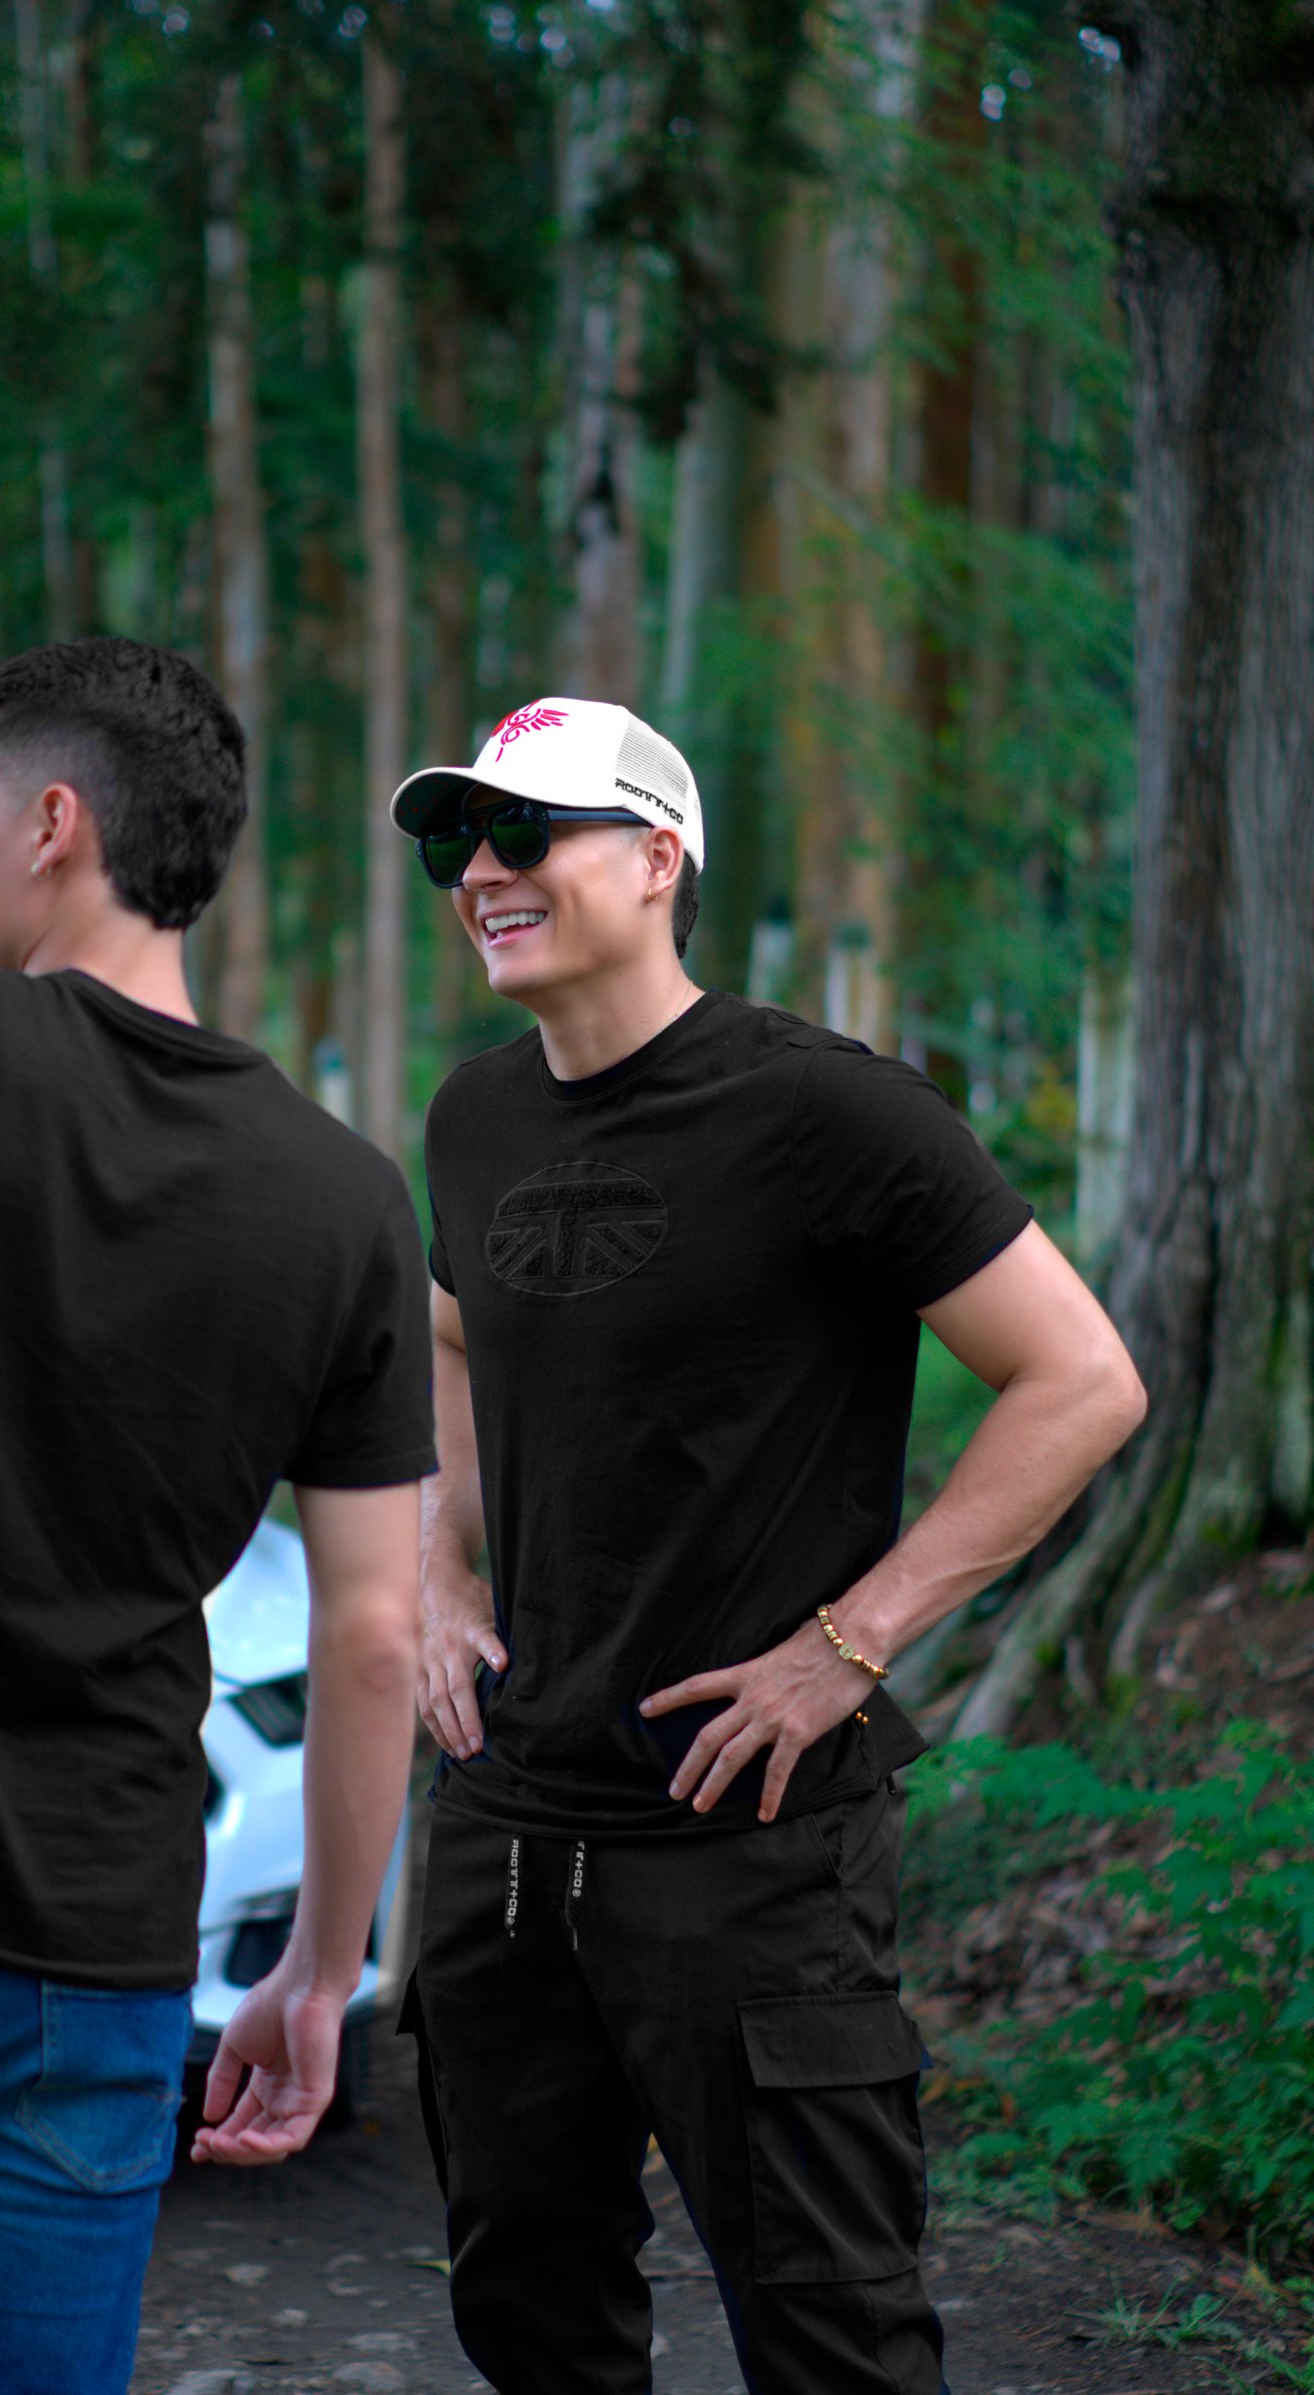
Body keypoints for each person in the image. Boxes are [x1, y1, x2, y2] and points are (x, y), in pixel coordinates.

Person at [391, 695, 1146, 2395]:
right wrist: (441, 1569)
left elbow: (1082, 1381)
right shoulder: (473, 1117)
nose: (482, 872)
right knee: (529, 2312)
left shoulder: (830, 1111)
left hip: (749, 1835)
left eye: (526, 832)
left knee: (831, 2334)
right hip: (510, 1827)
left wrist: (850, 1645)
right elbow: (449, 1339)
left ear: (659, 859)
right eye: (456, 840)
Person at [0, 639, 435, 2395]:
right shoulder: (345, 1200)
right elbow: (375, 1632)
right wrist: (317, 1975)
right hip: (98, 1959)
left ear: (54, 825)